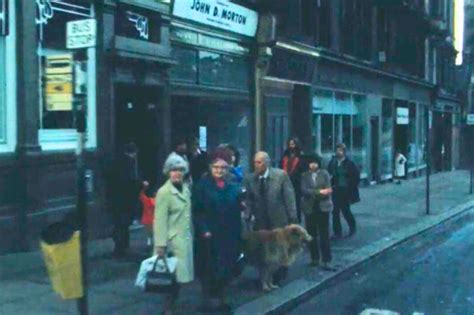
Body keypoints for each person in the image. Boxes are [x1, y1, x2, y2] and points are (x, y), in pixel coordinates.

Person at [193, 148, 243, 312]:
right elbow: (197, 211)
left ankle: (222, 301)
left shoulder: (233, 184)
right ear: (210, 168)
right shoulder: (202, 186)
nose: (219, 171)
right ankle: (207, 302)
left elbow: (239, 205)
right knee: (208, 270)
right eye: (215, 167)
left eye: (222, 168)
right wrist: (204, 229)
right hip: (209, 236)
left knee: (226, 269)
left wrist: (243, 205)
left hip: (229, 234)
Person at [243, 151, 297, 284]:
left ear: (267, 163)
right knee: (263, 249)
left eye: (259, 162)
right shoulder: (250, 179)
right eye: (255, 162)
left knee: (279, 247)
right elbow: (249, 199)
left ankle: (279, 274)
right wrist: (248, 214)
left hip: (278, 218)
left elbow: (289, 197)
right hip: (261, 220)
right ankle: (264, 276)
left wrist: (292, 217)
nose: (256, 165)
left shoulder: (280, 176)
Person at [154, 154, 194, 315]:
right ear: (168, 172)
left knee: (177, 280)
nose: (177, 173)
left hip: (184, 240)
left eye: (180, 170)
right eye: (173, 170)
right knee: (169, 280)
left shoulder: (185, 189)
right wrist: (161, 246)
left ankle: (172, 307)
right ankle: (167, 310)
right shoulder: (164, 192)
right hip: (171, 243)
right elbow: (160, 220)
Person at [112, 142, 146, 258]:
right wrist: (142, 184)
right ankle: (122, 249)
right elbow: (131, 181)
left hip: (118, 198)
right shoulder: (129, 163)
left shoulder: (117, 162)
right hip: (126, 199)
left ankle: (120, 248)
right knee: (124, 224)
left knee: (120, 224)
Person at [300, 154, 334, 270]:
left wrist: (314, 192)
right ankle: (314, 258)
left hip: (323, 207)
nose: (313, 165)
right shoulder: (304, 176)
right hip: (309, 208)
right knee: (311, 234)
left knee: (324, 235)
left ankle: (326, 260)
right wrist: (320, 192)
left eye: (315, 163)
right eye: (311, 163)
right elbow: (304, 190)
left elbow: (328, 190)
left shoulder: (324, 174)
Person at [327, 143, 360, 239]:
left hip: (345, 190)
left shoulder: (349, 163)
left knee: (345, 210)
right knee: (335, 211)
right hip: (335, 189)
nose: (338, 152)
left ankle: (352, 227)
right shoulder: (333, 162)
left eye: (340, 150)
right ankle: (337, 232)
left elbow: (355, 176)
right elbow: (328, 173)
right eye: (337, 150)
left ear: (344, 152)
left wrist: (351, 186)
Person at [281, 137, 304, 223]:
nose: (291, 146)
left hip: (296, 183)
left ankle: (297, 221)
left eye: (293, 144)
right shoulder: (285, 155)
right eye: (290, 144)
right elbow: (282, 165)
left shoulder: (300, 156)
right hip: (285, 181)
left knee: (296, 202)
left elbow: (301, 169)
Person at [139, 181, 155, 250]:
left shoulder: (146, 200)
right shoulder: (156, 201)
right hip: (154, 219)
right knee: (154, 233)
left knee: (149, 233)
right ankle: (153, 244)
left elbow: (141, 195)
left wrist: (144, 188)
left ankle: (149, 243)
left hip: (146, 219)